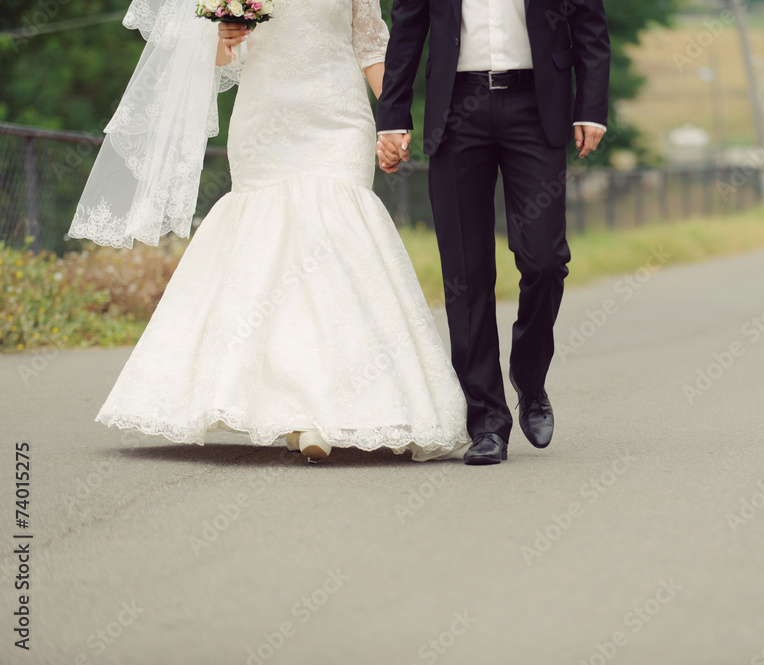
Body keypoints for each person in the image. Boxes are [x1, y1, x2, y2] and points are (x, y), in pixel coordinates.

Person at [69, 0, 470, 463]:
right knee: (272, 256)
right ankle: (296, 412)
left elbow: (371, 44)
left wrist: (394, 120)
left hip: (338, 120)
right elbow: (222, 57)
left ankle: (323, 411)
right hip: (265, 121)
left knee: (334, 242)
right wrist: (224, 39)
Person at [375, 0, 612, 465]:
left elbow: (590, 24)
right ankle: (486, 419)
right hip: (457, 109)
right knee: (466, 274)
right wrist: (394, 115)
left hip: (537, 105)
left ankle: (530, 376)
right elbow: (407, 27)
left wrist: (592, 107)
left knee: (545, 260)